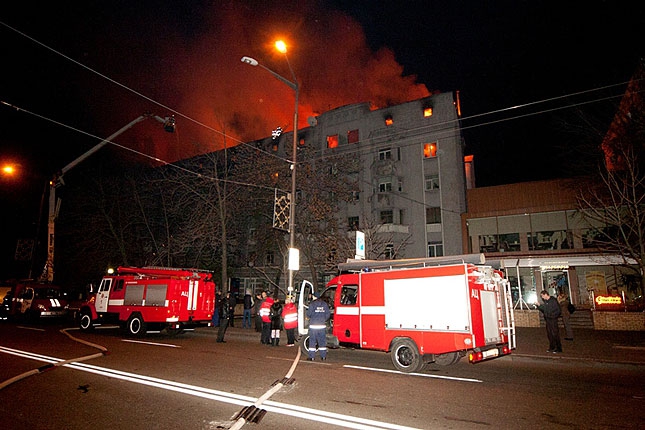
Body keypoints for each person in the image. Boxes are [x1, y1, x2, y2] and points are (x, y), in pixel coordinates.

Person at [305, 290, 331, 360]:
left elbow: (309, 314)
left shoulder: (312, 304)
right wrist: (323, 319)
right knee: (322, 341)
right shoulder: (324, 304)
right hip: (322, 326)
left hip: (313, 326)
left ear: (314, 296)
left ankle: (312, 357)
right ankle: (323, 356)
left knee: (312, 341)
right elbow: (328, 314)